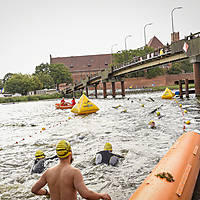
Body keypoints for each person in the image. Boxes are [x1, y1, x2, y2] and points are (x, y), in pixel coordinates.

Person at [31, 140, 111, 200]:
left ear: (58, 155)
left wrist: (47, 192)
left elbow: (34, 190)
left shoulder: (48, 172)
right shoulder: (74, 172)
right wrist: (101, 195)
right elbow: (85, 194)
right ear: (70, 153)